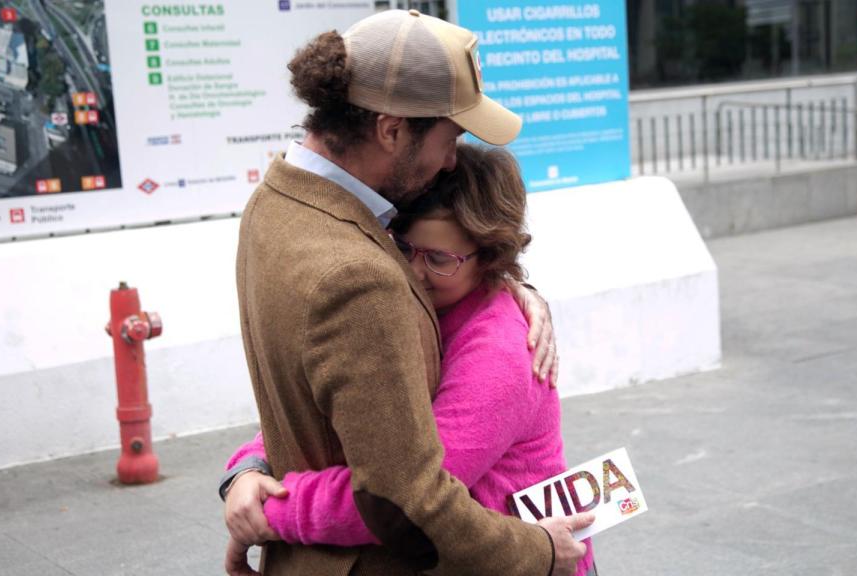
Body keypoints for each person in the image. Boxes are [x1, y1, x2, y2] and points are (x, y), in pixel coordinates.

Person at [229, 9, 592, 576]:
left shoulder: (274, 204)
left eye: (441, 259)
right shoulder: (360, 274)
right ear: (392, 128)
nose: (451, 160)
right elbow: (407, 497)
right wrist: (539, 551)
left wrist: (508, 284)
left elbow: (329, 390)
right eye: (449, 138)